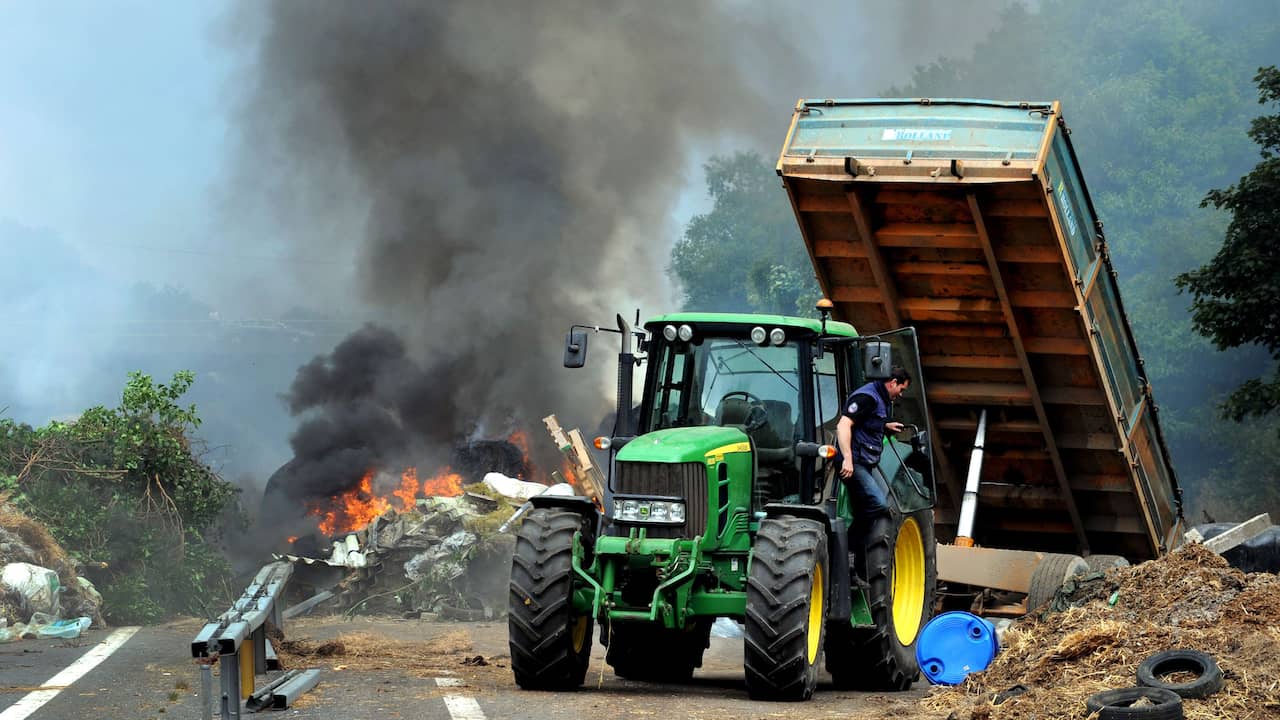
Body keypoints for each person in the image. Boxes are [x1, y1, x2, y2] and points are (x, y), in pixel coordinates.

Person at [836, 365, 912, 521]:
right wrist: (848, 459)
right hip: (855, 462)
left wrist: (884, 426)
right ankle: (854, 539)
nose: (901, 394)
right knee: (879, 504)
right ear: (893, 382)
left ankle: (855, 541)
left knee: (864, 505)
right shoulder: (867, 397)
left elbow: (865, 422)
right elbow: (843, 425)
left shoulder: (879, 397)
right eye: (901, 389)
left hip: (865, 460)